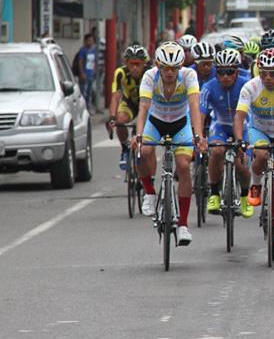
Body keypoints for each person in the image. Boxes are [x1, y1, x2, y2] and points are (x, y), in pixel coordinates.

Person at [131, 42, 206, 245]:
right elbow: (144, 106)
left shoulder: (189, 76)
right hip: (155, 122)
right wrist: (138, 134)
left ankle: (183, 225)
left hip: (180, 124)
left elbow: (194, 104)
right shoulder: (150, 76)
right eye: (166, 68)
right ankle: (149, 191)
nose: (170, 72)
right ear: (158, 65)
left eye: (175, 68)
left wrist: (198, 135)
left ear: (181, 66)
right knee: (143, 151)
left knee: (183, 166)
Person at [233, 49, 274, 247]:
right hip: (260, 131)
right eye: (263, 73)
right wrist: (239, 140)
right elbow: (239, 116)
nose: (268, 78)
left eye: (273, 74)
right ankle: (256, 184)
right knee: (261, 155)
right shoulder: (251, 87)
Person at [197, 48, 253, 219]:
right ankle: (214, 193)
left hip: (243, 126)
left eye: (230, 72)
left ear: (237, 72)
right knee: (216, 151)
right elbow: (200, 114)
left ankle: (244, 197)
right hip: (220, 125)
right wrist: (200, 137)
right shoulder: (208, 87)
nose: (225, 76)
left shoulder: (246, 84)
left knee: (241, 165)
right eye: (221, 72)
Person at [106, 44, 149, 170]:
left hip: (146, 103)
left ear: (144, 63)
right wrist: (112, 118)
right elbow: (115, 97)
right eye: (132, 64)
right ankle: (125, 148)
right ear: (126, 63)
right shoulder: (120, 73)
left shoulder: (150, 72)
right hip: (129, 103)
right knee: (120, 120)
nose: (135, 68)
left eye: (138, 64)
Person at [77, 33, 98, 112]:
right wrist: (82, 73)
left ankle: (88, 108)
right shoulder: (83, 50)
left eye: (92, 40)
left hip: (91, 74)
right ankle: (83, 109)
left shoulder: (93, 50)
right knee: (83, 93)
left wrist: (94, 70)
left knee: (90, 93)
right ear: (85, 41)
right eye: (89, 40)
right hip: (84, 74)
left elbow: (94, 61)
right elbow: (80, 61)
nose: (90, 42)